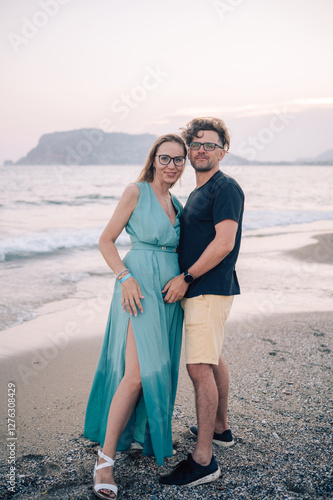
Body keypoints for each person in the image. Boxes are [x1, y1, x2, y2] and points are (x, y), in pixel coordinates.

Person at [84, 134, 186, 499]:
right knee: (136, 374)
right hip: (139, 289)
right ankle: (105, 460)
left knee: (158, 368)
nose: (171, 165)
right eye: (165, 158)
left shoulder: (176, 202)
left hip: (169, 294)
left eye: (178, 159)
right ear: (154, 159)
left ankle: (139, 435)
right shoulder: (136, 191)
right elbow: (106, 240)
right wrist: (125, 278)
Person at [159, 117, 244, 487]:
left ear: (223, 151)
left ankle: (204, 460)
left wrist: (186, 277)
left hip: (207, 289)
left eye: (209, 145)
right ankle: (221, 428)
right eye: (195, 145)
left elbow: (224, 242)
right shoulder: (198, 191)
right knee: (212, 359)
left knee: (198, 369)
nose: (201, 150)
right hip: (207, 290)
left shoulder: (225, 188)